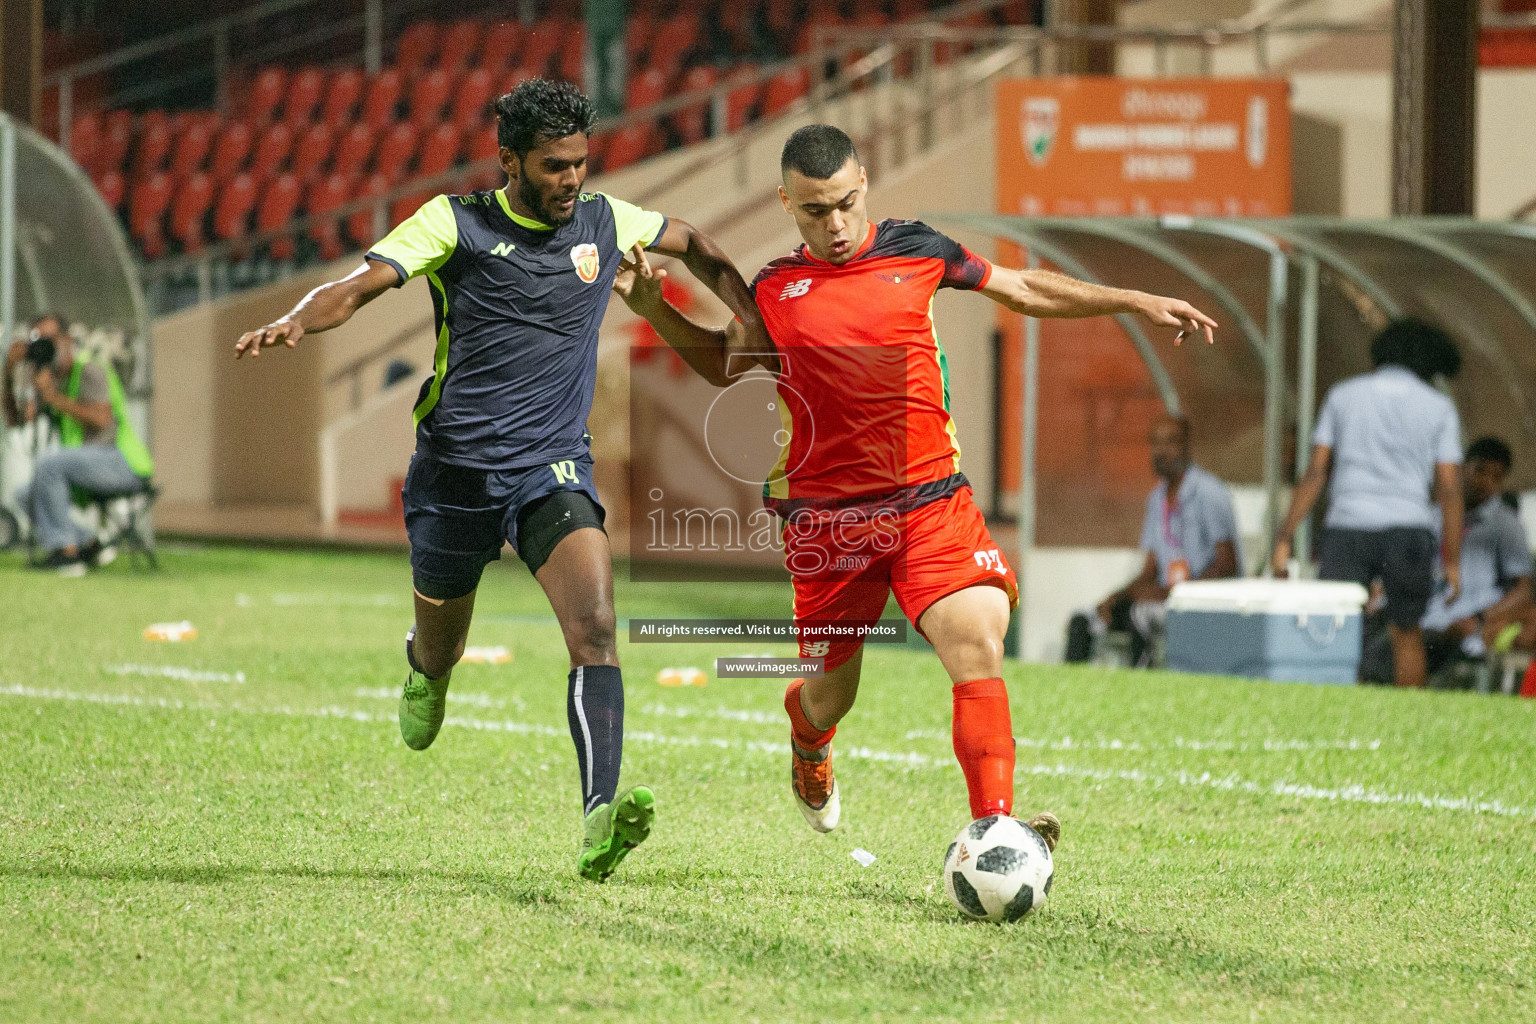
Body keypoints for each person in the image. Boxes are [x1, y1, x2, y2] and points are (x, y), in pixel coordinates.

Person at [611, 124, 1216, 850]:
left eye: (843, 203)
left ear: (864, 183)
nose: (833, 224)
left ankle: (994, 831)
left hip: (930, 502)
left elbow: (1021, 287)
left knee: (977, 643)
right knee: (833, 693)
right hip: (826, 523)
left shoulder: (917, 249)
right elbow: (725, 366)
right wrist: (654, 311)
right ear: (786, 204)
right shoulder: (775, 289)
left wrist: (1132, 298)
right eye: (813, 211)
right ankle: (809, 738)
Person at [233, 79, 770, 882]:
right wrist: (297, 318)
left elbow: (696, 243)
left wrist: (749, 316)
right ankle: (426, 671)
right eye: (554, 166)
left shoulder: (605, 220)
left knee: (595, 627)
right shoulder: (455, 223)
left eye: (581, 163)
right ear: (510, 160)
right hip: (453, 475)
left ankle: (597, 816)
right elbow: (360, 284)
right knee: (443, 644)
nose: (572, 181)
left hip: (550, 465)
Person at [1272, 319, 1464, 688]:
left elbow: (1315, 472)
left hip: (1348, 525)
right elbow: (1450, 487)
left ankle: (1337, 709)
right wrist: (1452, 560)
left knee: (1339, 626)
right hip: (1409, 528)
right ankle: (1411, 718)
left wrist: (1284, 537)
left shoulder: (1343, 395)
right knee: (1407, 631)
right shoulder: (1439, 407)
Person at [1067, 415, 1241, 666]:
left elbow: (1227, 566)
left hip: (1199, 604)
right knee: (1085, 619)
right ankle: (1073, 696)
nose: (1161, 452)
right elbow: (1150, 570)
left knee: (1140, 615)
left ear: (1187, 446)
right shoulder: (1156, 499)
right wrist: (1119, 595)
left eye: (1170, 442)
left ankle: (1142, 692)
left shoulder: (1209, 493)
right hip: (1161, 599)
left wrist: (1171, 593)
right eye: (1155, 443)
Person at [2, 313, 154, 575]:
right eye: (37, 340)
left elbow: (102, 419)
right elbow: (17, 422)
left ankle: (68, 555)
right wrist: (7, 373)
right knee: (25, 494)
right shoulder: (48, 378)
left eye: (50, 339)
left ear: (67, 340)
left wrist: (54, 398)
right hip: (81, 464)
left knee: (49, 462)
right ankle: (90, 543)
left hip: (121, 461)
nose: (45, 346)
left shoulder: (89, 369)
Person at [1415, 436, 1532, 675]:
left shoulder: (1504, 524)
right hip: (1428, 620)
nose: (1485, 482)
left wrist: (1480, 619)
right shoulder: (1433, 517)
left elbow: (1523, 590)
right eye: (1480, 471)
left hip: (1472, 627)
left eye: (1496, 478)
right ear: (1463, 467)